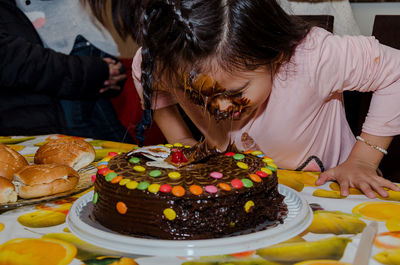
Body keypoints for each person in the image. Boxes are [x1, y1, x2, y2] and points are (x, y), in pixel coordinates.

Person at [86, 0, 400, 199]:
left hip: (331, 192)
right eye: (200, 94)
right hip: (234, 196)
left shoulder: (313, 55)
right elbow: (149, 78)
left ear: (275, 57)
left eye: (236, 93)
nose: (221, 108)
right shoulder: (162, 61)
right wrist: (181, 141)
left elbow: (394, 71)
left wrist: (362, 160)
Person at [0, 0, 130, 142]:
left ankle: (133, 158)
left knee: (81, 130)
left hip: (77, 45)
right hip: (68, 53)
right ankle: (132, 158)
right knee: (102, 126)